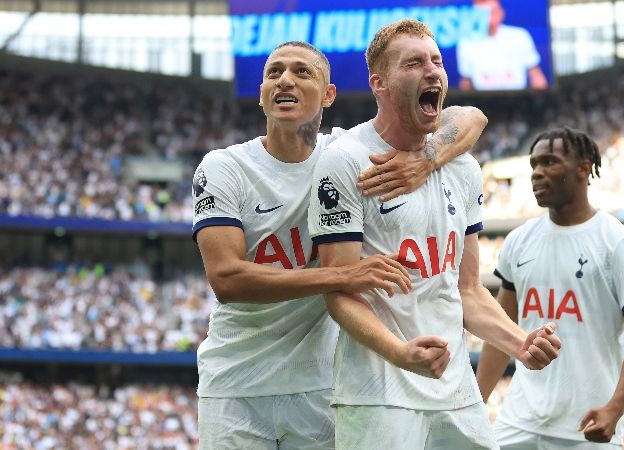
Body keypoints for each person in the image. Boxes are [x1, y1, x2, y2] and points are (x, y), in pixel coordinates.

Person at [192, 40, 488, 450]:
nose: (285, 80)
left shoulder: (342, 155)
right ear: (262, 93)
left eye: (302, 72)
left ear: (328, 95)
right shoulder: (224, 167)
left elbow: (471, 117)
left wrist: (428, 157)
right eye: (274, 72)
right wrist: (342, 274)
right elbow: (226, 278)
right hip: (236, 383)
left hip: (320, 385)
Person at [307, 19, 562, 450]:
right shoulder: (345, 160)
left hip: (455, 388)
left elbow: (467, 290)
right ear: (380, 84)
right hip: (379, 392)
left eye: (437, 61)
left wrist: (521, 343)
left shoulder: (461, 167)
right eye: (413, 63)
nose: (432, 71)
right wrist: (400, 354)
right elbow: (340, 291)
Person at [476, 127, 624, 449]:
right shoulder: (519, 241)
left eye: (549, 162)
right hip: (517, 423)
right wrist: (477, 404)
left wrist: (615, 408)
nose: (537, 173)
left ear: (583, 169)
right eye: (533, 164)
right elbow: (501, 329)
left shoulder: (618, 243)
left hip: (586, 427)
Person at [456, 0, 548, 91]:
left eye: (492, 12)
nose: (488, 18)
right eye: (483, 14)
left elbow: (536, 75)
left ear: (501, 13)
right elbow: (466, 81)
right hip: (483, 102)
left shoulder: (520, 36)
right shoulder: (466, 42)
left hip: (518, 100)